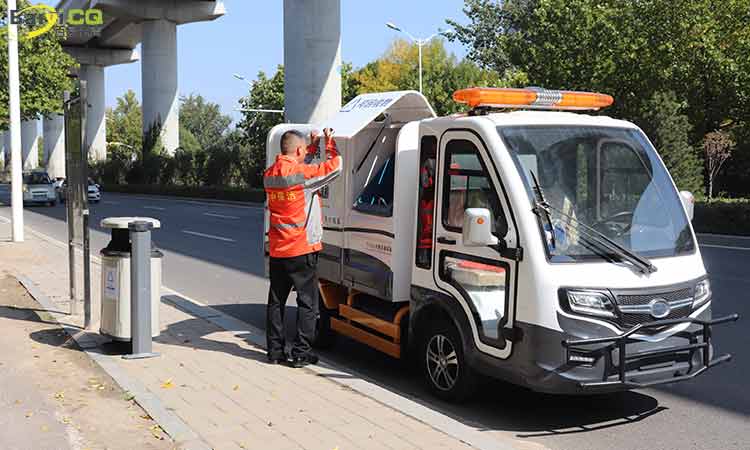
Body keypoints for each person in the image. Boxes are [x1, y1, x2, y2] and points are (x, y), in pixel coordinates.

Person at [264, 127, 341, 367]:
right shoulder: (302, 176)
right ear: (298, 149)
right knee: (307, 303)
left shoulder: (270, 174)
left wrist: (310, 147)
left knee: (276, 302)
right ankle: (300, 354)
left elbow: (298, 170)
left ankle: (275, 352)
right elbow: (335, 166)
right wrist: (328, 142)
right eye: (304, 149)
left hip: (278, 249)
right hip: (301, 249)